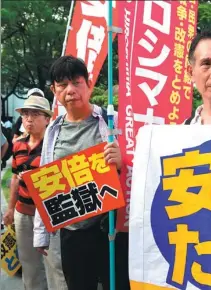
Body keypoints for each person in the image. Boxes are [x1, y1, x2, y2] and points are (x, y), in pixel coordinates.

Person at [33, 55, 129, 290]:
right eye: (63, 85)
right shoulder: (53, 131)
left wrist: (120, 161)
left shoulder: (111, 121)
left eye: (76, 82)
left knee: (116, 285)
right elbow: (46, 183)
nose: (71, 90)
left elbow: (134, 164)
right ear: (54, 91)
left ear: (89, 85)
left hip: (109, 229)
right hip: (71, 231)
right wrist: (41, 233)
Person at [2, 94, 57, 289]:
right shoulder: (18, 145)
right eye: (25, 115)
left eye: (35, 114)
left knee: (53, 266)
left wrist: (39, 178)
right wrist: (10, 210)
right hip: (22, 214)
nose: (29, 119)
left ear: (47, 119)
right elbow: (15, 179)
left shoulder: (54, 148)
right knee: (28, 265)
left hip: (49, 216)